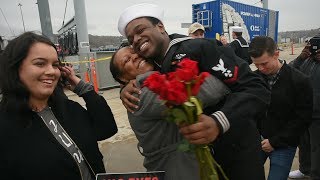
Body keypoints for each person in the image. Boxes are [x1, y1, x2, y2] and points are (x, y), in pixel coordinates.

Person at [117, 3, 271, 180]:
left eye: (140, 30)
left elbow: (256, 87)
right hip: (199, 166)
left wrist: (219, 121)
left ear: (160, 26)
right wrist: (125, 86)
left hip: (237, 159)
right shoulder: (152, 68)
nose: (135, 39)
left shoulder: (199, 48)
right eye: (131, 39)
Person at [0, 32, 118, 179]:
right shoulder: (5, 125)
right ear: (15, 68)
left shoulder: (69, 108)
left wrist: (84, 89)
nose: (51, 71)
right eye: (40, 63)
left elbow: (106, 129)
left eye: (55, 65)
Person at [110, 46, 230, 180]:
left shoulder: (159, 74)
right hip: (177, 170)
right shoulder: (137, 95)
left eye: (134, 52)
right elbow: (209, 91)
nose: (135, 56)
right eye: (127, 60)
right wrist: (230, 70)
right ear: (122, 78)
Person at [248, 36, 313, 180]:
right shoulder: (253, 79)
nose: (261, 68)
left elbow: (303, 119)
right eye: (256, 64)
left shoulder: (299, 81)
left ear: (276, 54)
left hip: (284, 144)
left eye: (264, 63)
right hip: (256, 140)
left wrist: (275, 142)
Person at [289, 36, 320, 180]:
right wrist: (301, 58)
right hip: (304, 112)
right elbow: (288, 71)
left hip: (318, 115)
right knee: (304, 144)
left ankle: (315, 175)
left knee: (317, 147)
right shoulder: (307, 60)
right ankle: (304, 169)